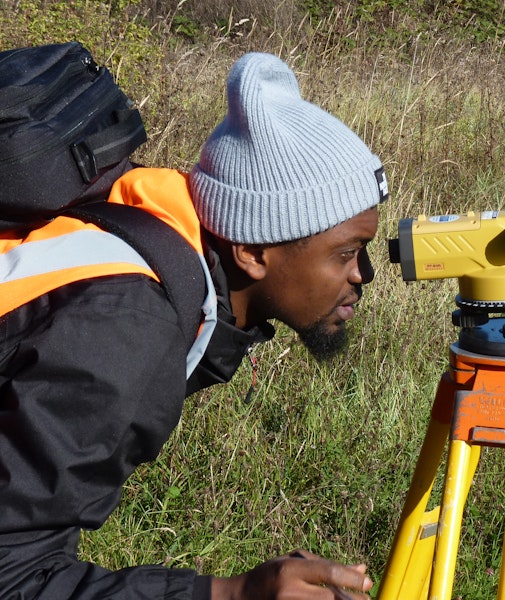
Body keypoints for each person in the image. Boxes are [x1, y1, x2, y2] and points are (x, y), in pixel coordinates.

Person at [0, 51, 389, 599]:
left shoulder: (148, 238)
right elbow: (11, 577)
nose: (364, 275)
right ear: (253, 249)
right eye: (348, 252)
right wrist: (232, 594)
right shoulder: (126, 329)